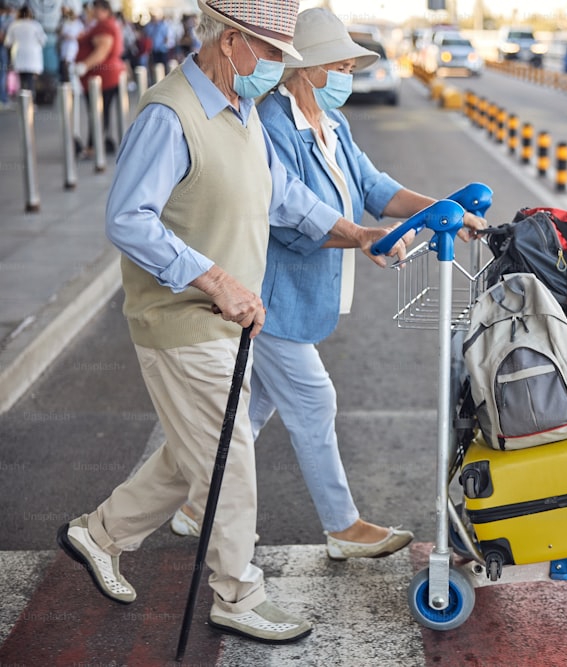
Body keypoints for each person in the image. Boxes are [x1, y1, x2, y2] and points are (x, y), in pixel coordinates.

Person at [56, 0, 407, 645]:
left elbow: (281, 195)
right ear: (231, 44)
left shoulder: (242, 109)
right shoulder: (171, 114)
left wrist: (356, 233)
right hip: (181, 320)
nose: (278, 68)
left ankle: (98, 533)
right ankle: (237, 593)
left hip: (229, 320)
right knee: (232, 455)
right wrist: (216, 280)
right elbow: (128, 219)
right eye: (273, 54)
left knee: (199, 452)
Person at [169, 7, 487, 562]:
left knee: (256, 406)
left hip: (301, 297)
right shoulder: (270, 124)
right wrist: (364, 237)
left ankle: (197, 502)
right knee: (314, 400)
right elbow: (290, 216)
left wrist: (445, 209)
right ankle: (342, 527)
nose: (348, 75)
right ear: (308, 68)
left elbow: (374, 186)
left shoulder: (332, 124)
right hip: (268, 295)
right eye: (339, 65)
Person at [74, 0, 125, 157]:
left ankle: (93, 146)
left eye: (95, 8)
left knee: (97, 112)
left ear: (103, 9)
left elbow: (102, 49)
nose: (93, 11)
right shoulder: (104, 24)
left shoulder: (104, 26)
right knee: (101, 112)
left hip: (102, 77)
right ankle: (98, 143)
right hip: (105, 76)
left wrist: (84, 65)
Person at [3, 6, 45, 100]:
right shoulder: (35, 25)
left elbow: (7, 42)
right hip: (33, 56)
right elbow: (43, 40)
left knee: (22, 80)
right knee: (30, 79)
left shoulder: (14, 25)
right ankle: (30, 101)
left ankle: (24, 101)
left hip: (19, 55)